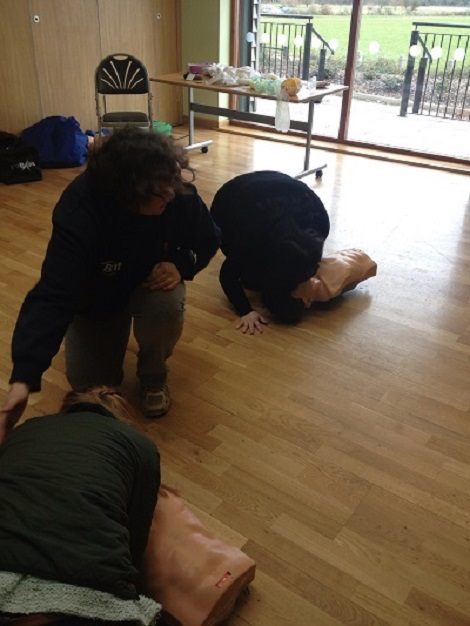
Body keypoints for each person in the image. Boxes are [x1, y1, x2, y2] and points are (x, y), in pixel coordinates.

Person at [1, 127, 220, 432]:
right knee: (89, 388)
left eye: (172, 180)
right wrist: (23, 379)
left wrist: (181, 263)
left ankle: (153, 377)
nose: (171, 193)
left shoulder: (175, 193)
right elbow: (53, 295)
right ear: (129, 194)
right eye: (161, 190)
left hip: (149, 282)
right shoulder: (80, 210)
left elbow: (209, 238)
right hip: (97, 296)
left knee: (166, 305)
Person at [0, 386, 161, 626]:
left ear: (67, 409)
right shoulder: (142, 446)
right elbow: (136, 539)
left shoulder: (27, 429)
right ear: (122, 418)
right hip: (79, 601)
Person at [210, 170, 330, 334]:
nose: (309, 302)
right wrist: (245, 310)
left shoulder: (319, 223)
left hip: (283, 188)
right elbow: (228, 274)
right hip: (228, 200)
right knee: (250, 279)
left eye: (303, 301)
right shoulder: (252, 238)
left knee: (254, 279)